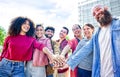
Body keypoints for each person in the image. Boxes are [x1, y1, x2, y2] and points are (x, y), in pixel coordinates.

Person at [61, 5, 120, 77]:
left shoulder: (118, 23)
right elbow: (83, 51)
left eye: (98, 9)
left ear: (106, 8)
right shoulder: (97, 35)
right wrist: (67, 63)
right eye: (94, 14)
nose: (97, 13)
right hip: (100, 73)